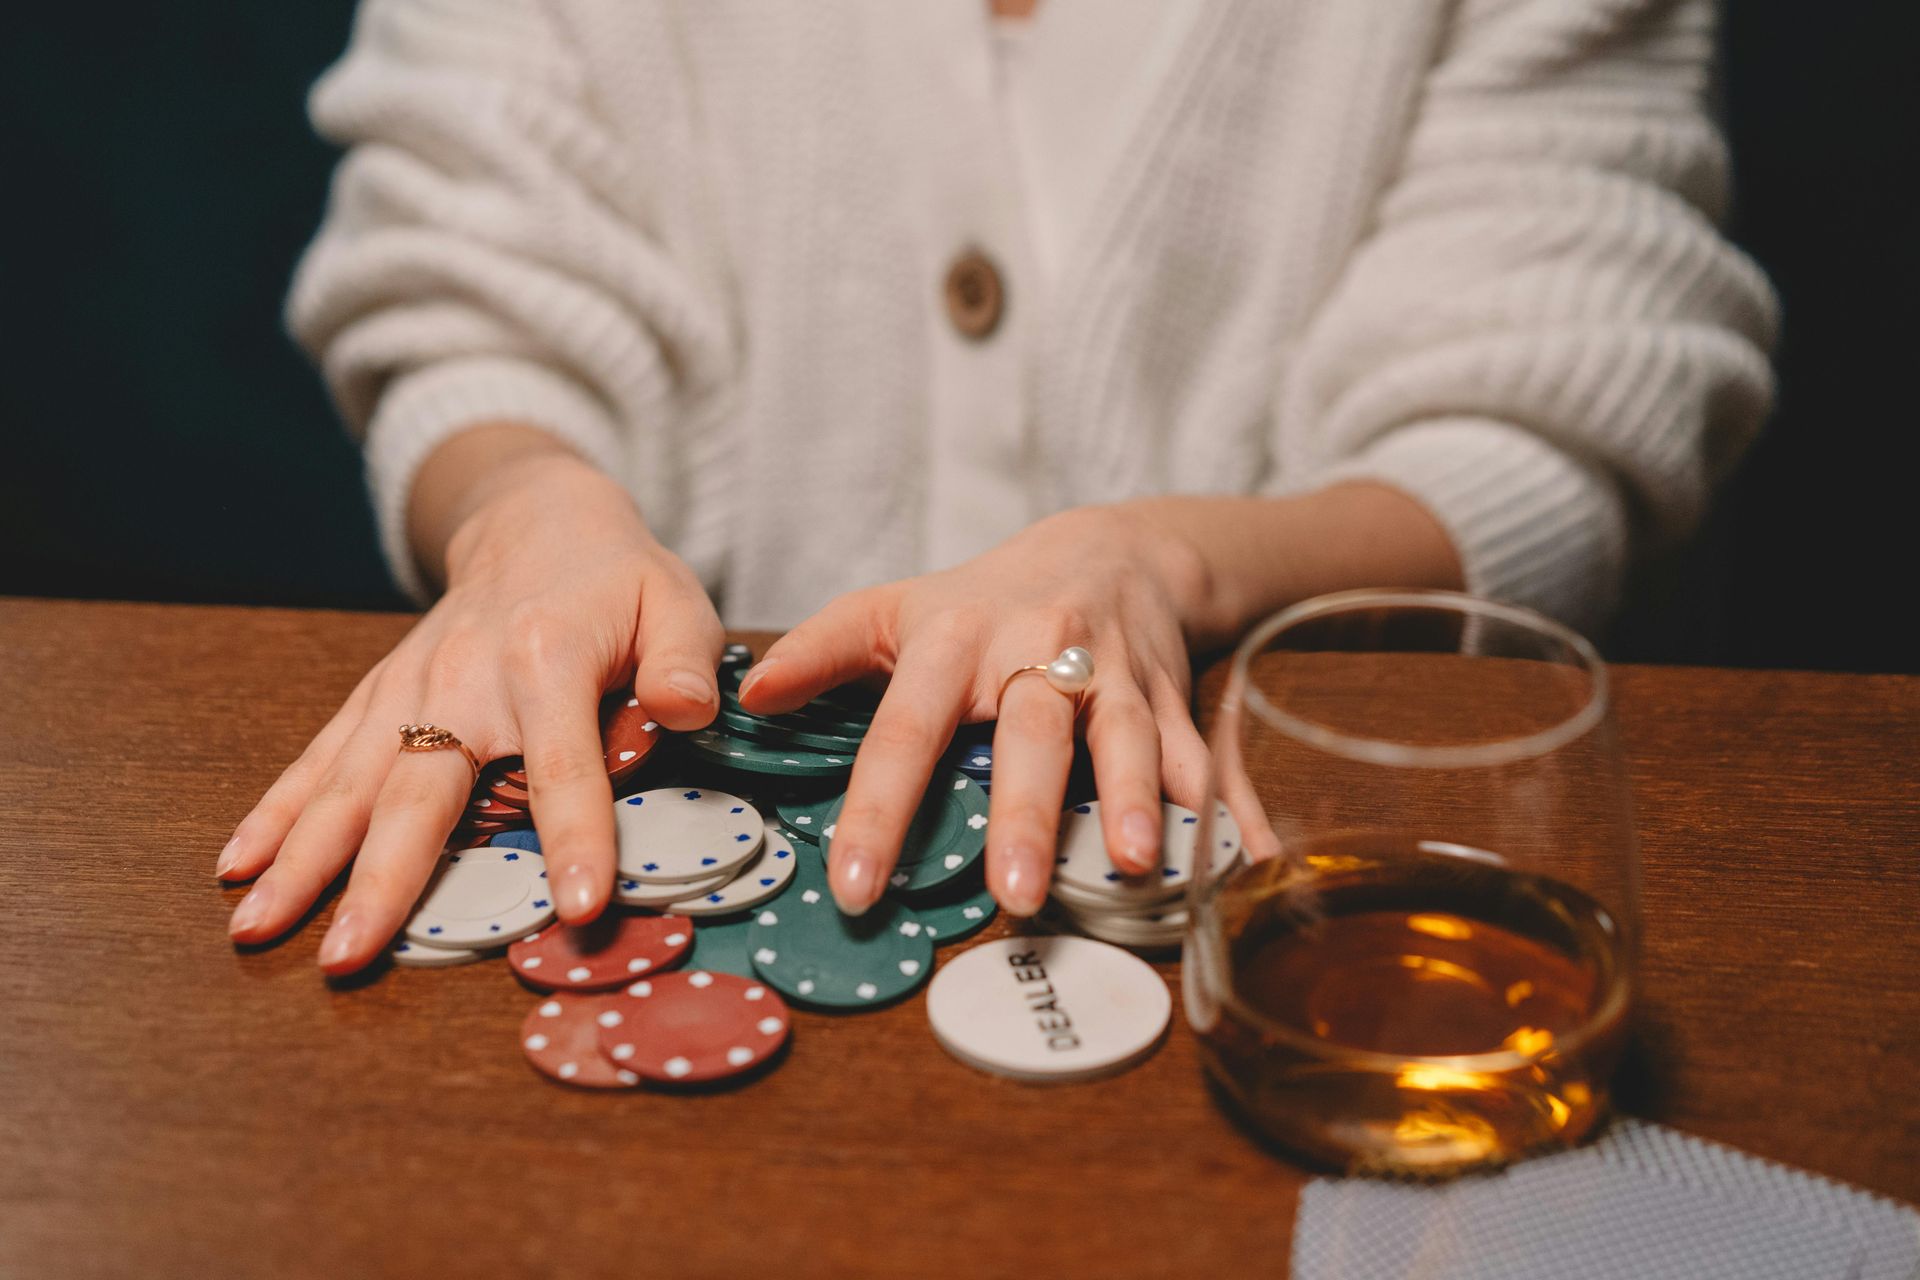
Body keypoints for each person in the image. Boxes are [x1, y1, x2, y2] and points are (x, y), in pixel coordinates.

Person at [219, 0, 1776, 975]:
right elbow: (458, 290)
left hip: (1283, 879)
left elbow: (1560, 389)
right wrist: (522, 512)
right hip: (669, 838)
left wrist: (1169, 562)